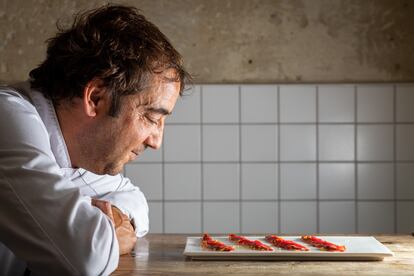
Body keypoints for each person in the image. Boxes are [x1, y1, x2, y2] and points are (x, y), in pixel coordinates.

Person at [0, 4, 190, 275]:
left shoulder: (74, 153)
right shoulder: (6, 119)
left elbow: (133, 198)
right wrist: (112, 234)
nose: (156, 141)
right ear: (96, 98)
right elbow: (83, 257)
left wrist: (116, 220)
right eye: (150, 117)